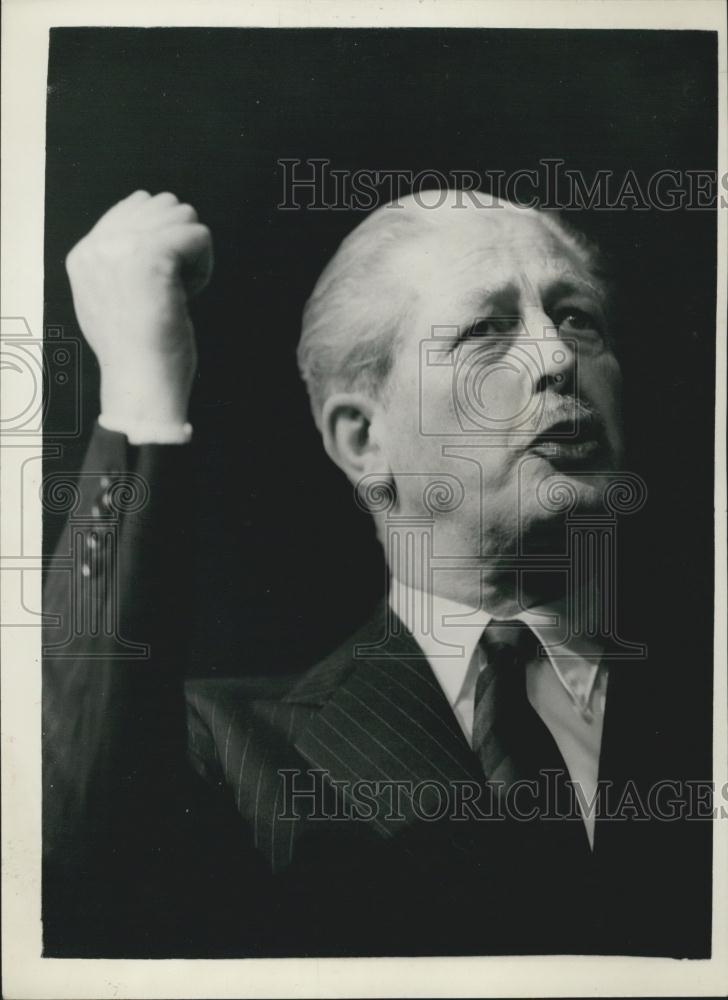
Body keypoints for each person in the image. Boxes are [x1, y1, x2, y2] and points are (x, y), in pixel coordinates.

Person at [42, 190, 711, 958]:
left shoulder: (705, 712)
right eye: (486, 331)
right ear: (364, 442)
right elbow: (73, 850)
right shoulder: (230, 751)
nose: (558, 358)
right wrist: (140, 387)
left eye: (577, 317)